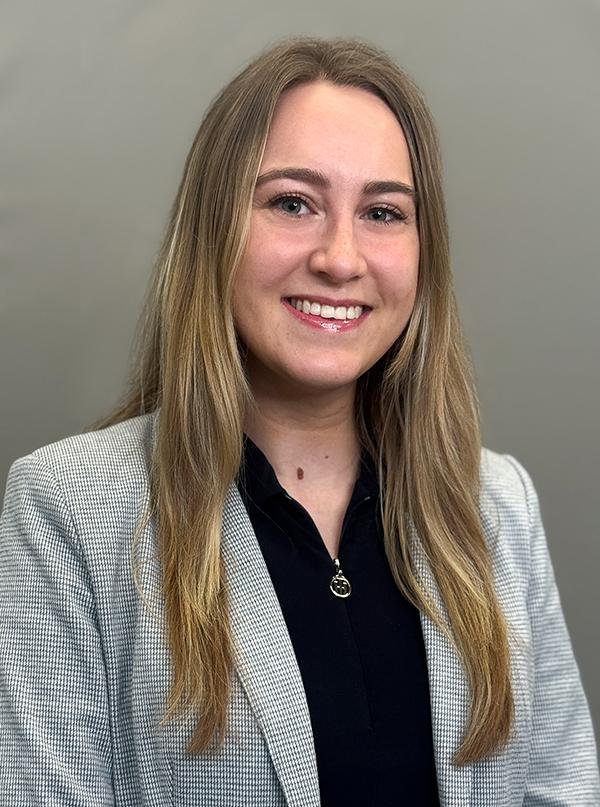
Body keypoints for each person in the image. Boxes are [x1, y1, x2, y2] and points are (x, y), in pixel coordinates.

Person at [0, 37, 598, 807]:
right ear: (215, 228)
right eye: (293, 202)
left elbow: (562, 791)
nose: (340, 258)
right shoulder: (68, 508)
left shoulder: (498, 504)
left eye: (383, 212)